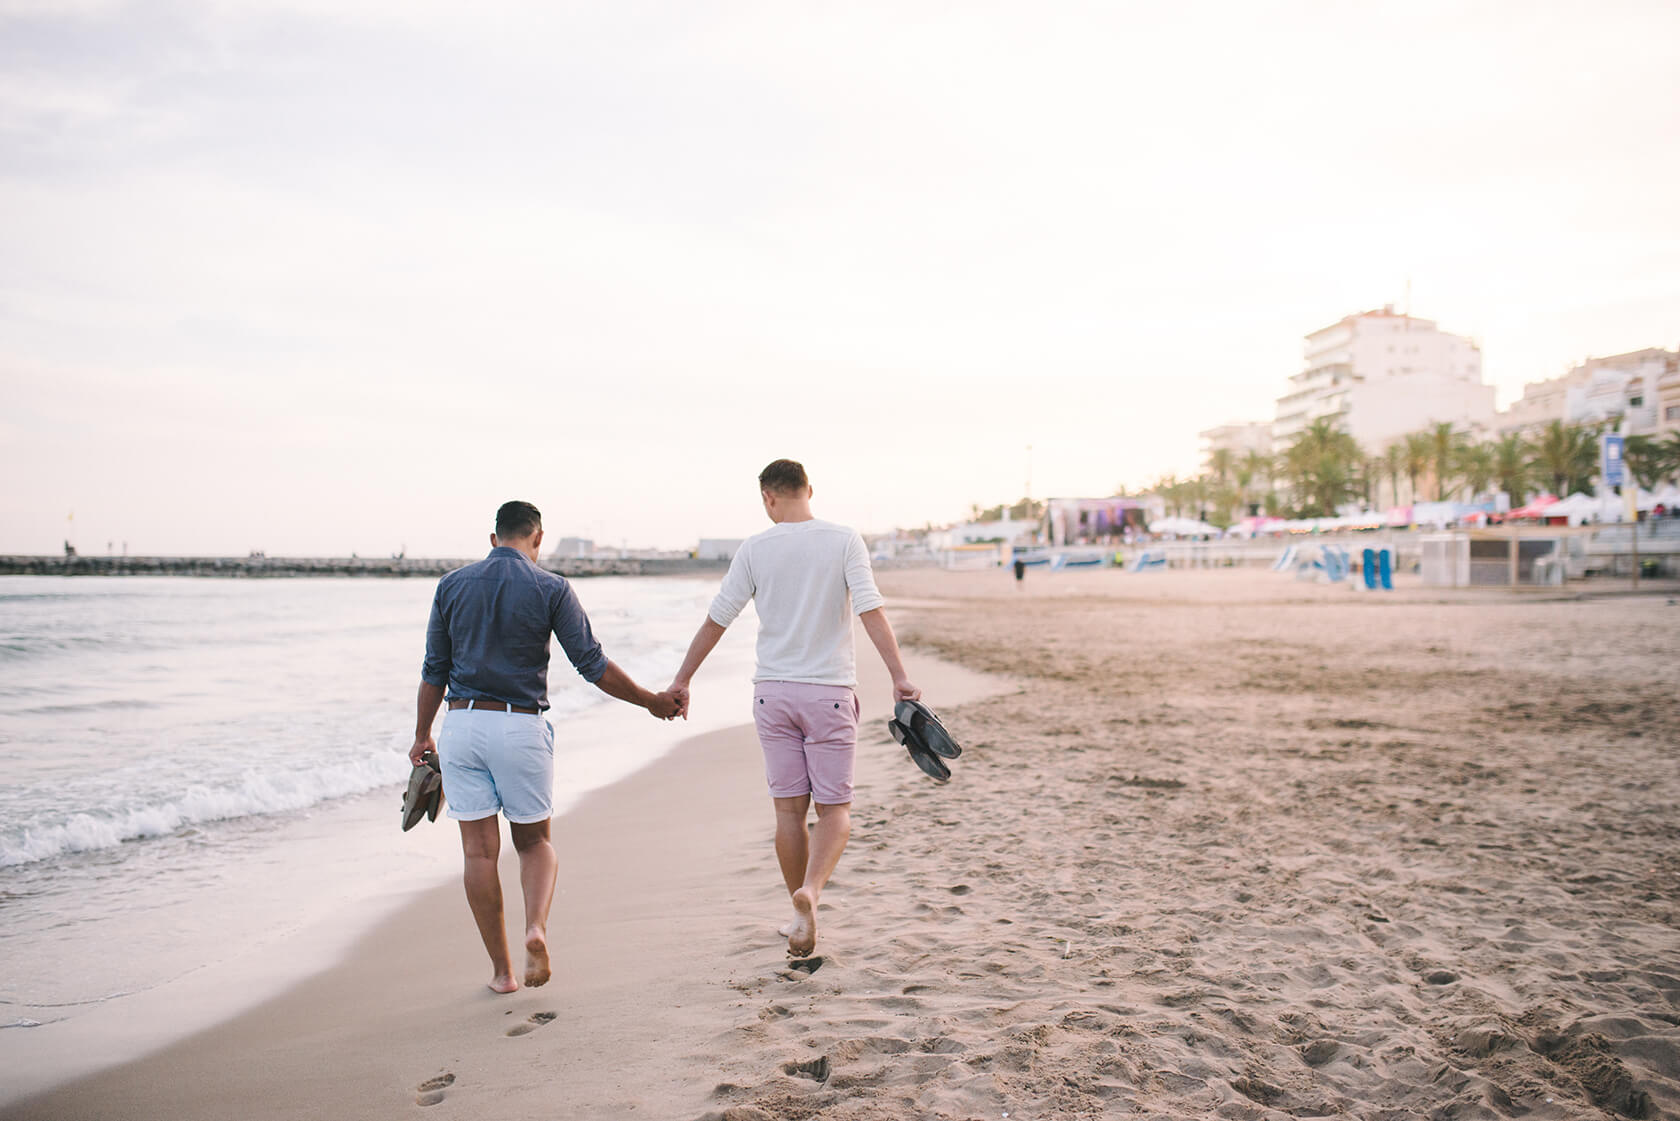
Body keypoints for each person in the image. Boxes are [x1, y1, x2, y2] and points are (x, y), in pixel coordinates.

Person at [410, 500, 680, 994]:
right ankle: (535, 927)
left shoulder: (451, 585)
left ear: (494, 540)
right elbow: (591, 664)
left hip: (463, 726)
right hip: (519, 727)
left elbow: (434, 669)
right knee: (534, 842)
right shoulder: (551, 586)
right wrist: (650, 702)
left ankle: (503, 973)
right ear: (537, 539)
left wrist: (422, 733)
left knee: (478, 854)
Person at [666, 459, 919, 957]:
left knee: (788, 812)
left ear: (767, 497)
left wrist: (682, 679)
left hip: (773, 695)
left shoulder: (755, 548)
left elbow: (718, 618)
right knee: (834, 809)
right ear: (809, 489)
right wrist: (898, 675)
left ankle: (796, 912)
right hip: (827, 693)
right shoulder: (844, 539)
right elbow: (870, 608)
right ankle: (813, 893)